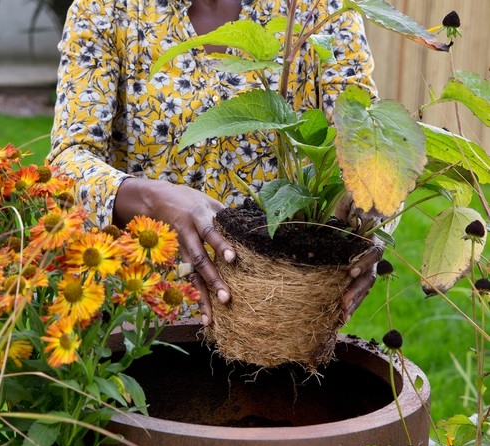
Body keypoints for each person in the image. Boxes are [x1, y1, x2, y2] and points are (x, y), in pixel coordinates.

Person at [47, 0, 382, 326]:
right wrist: (151, 199)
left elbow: (369, 147)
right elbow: (67, 163)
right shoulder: (109, 9)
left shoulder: (321, 9)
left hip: (286, 316)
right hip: (144, 319)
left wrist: (369, 221)